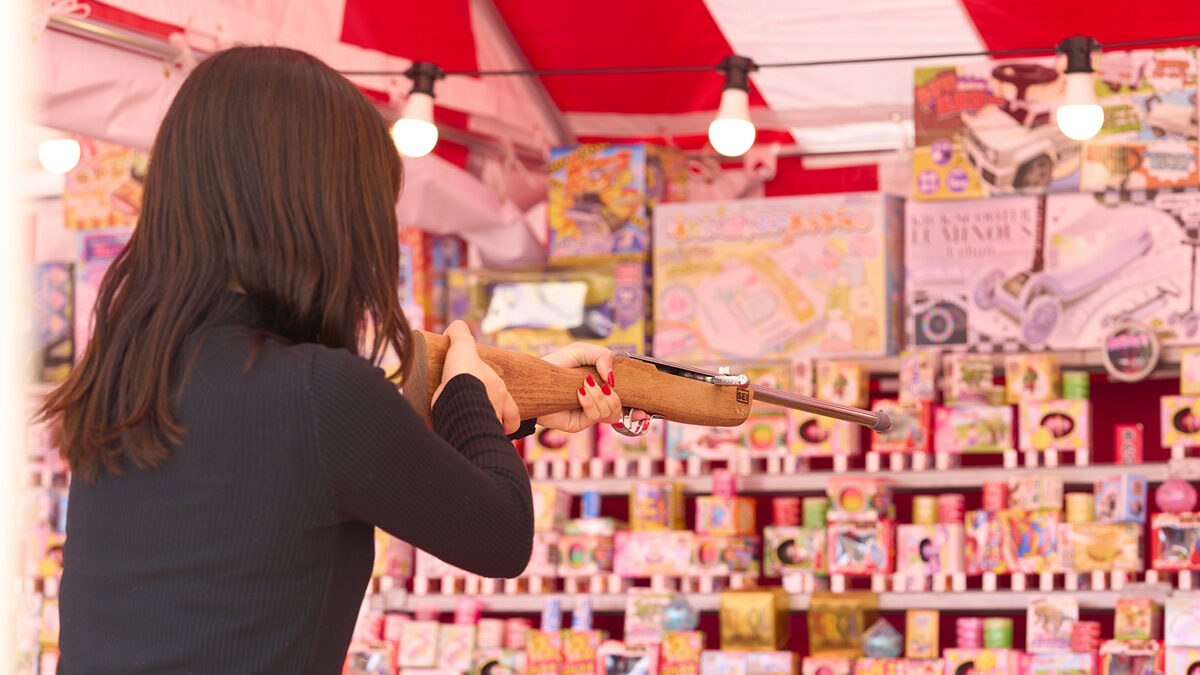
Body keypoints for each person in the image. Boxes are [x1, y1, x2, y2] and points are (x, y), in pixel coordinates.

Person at [40, 45, 633, 674]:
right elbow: (502, 535)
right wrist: (470, 400)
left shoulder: (124, 377)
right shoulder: (319, 394)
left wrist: (524, 398)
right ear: (325, 212)